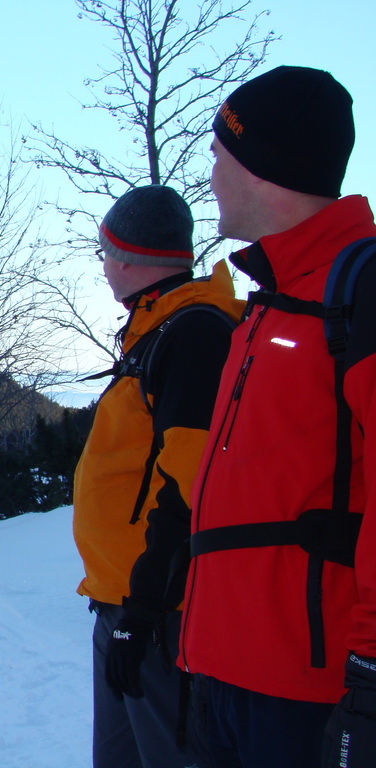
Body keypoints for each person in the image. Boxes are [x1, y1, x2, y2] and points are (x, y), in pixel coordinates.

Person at [176, 65, 376, 768]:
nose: (210, 176)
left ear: (260, 166)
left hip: (307, 694)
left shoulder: (357, 291)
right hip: (221, 675)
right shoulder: (268, 302)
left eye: (216, 156)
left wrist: (371, 676)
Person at [73, 184, 243, 768]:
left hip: (160, 612)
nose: (102, 268)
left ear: (126, 256)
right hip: (123, 601)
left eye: (103, 254)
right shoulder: (155, 331)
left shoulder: (192, 333)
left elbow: (189, 484)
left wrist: (145, 609)